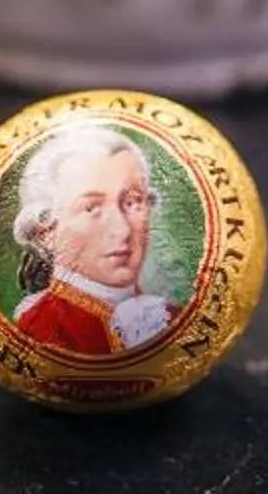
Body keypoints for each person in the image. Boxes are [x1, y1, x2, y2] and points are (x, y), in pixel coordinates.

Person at [9, 121, 174, 355]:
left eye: (132, 202)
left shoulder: (170, 317)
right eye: (91, 208)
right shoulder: (41, 331)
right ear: (45, 232)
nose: (122, 229)